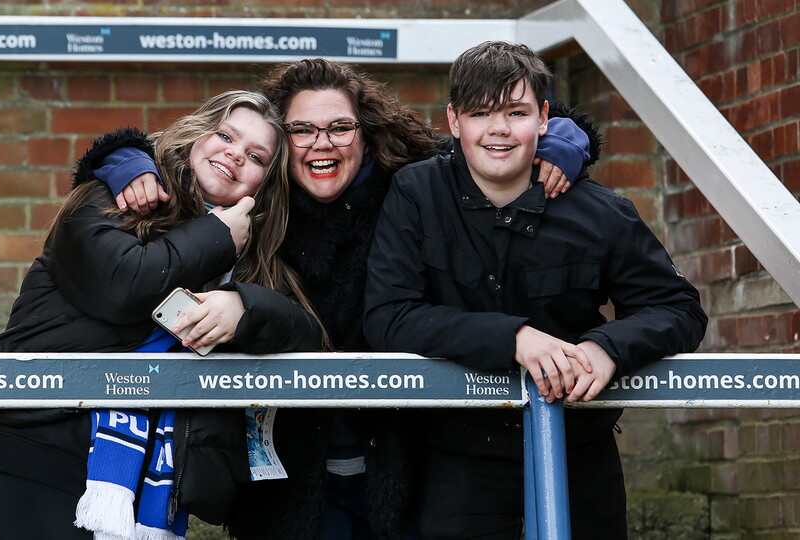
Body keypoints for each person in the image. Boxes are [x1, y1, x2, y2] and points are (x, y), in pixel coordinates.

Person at [91, 58, 600, 540]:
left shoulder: (411, 186)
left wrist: (569, 140)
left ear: (365, 130)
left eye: (339, 127)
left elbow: (491, 139)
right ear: (278, 138)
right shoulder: (251, 202)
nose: (322, 144)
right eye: (302, 130)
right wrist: (124, 161)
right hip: (281, 481)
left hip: (404, 470)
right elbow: (172, 155)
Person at [363, 41, 708, 539]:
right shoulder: (416, 194)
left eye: (516, 112)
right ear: (454, 120)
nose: (499, 129)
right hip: (456, 458)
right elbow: (388, 315)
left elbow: (678, 308)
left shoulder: (600, 211)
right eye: (480, 113)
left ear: (544, 118)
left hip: (579, 449)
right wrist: (514, 339)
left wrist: (607, 348)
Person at [0, 90, 323, 540]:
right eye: (225, 135)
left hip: (151, 479)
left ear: (264, 184)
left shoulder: (251, 259)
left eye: (256, 156)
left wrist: (243, 306)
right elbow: (123, 288)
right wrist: (216, 236)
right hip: (38, 449)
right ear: (196, 136)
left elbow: (307, 337)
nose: (234, 154)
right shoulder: (110, 198)